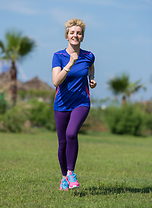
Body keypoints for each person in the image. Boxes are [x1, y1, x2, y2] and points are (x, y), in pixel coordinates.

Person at [52, 18, 97, 191]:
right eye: (72, 33)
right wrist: (70, 63)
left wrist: (91, 78)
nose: (75, 35)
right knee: (62, 143)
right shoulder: (59, 56)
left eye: (78, 33)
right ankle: (64, 177)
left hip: (81, 102)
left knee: (72, 133)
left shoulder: (89, 55)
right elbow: (56, 81)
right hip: (61, 104)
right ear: (67, 36)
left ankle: (71, 173)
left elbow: (91, 66)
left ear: (82, 36)